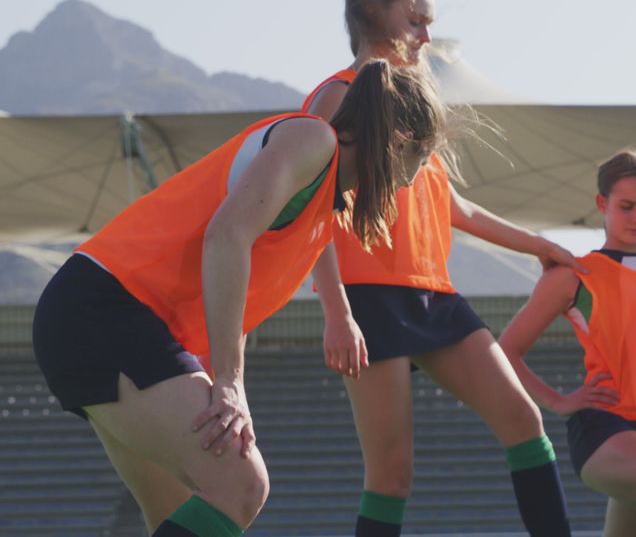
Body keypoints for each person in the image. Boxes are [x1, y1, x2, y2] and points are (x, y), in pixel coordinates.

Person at [32, 60, 448, 537]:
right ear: (398, 141)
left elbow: (237, 294)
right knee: (242, 485)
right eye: (423, 157)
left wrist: (229, 385)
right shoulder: (314, 141)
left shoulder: (325, 204)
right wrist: (229, 382)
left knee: (183, 509)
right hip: (101, 309)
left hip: (105, 320)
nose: (415, 179)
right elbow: (225, 236)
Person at [304, 0, 576, 535]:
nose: (426, 36)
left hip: (437, 296)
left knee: (525, 423)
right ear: (376, 15)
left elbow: (453, 207)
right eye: (417, 20)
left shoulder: (413, 97)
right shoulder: (337, 95)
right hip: (367, 300)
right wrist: (336, 311)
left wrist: (541, 246)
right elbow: (311, 210)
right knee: (391, 476)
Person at [500, 149, 636, 537]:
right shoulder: (576, 275)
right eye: (627, 206)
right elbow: (505, 351)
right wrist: (559, 401)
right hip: (608, 428)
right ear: (603, 204)